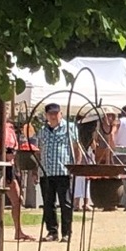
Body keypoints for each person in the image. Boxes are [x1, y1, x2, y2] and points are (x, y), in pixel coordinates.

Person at [0, 110, 36, 242]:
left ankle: (18, 230)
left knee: (17, 199)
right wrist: (2, 155)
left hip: (10, 167)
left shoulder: (10, 128)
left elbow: (14, 149)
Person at [35, 101, 80, 243]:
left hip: (63, 171)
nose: (53, 116)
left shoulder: (70, 128)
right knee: (48, 204)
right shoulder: (42, 131)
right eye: (50, 114)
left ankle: (67, 233)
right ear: (46, 116)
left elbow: (76, 147)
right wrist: (37, 169)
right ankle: (52, 232)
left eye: (56, 113)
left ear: (61, 114)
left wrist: (76, 166)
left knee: (65, 203)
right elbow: (39, 150)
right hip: (46, 172)